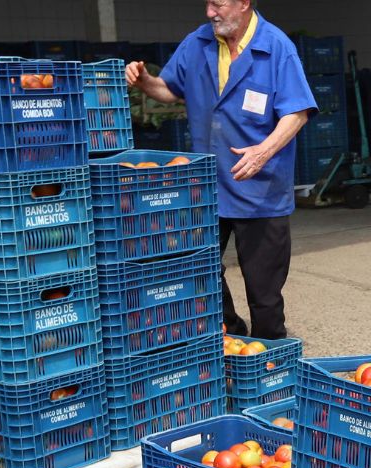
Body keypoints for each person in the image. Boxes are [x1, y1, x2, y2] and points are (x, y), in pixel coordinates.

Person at [126, 0, 316, 340]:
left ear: (243, 3)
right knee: (200, 273)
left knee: (264, 294)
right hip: (207, 188)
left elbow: (297, 112)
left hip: (259, 189)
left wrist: (263, 151)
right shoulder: (198, 43)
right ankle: (235, 334)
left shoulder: (276, 47)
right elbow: (169, 90)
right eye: (208, 3)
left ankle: (269, 359)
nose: (210, 12)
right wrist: (145, 81)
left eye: (218, 4)